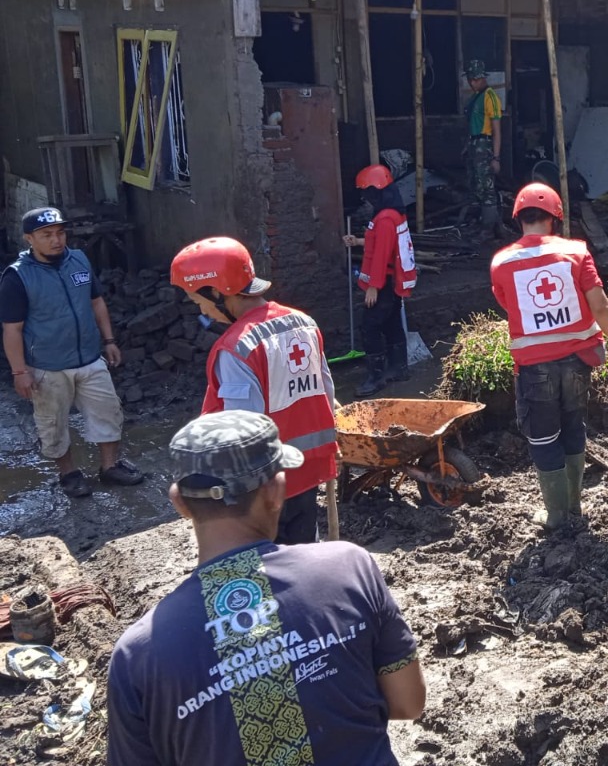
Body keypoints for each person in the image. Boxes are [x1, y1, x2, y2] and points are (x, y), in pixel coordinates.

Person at [106, 410, 425, 766]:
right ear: (276, 491)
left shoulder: (137, 655)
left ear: (179, 503)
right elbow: (408, 703)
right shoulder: (349, 566)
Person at [170, 237, 339, 545]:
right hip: (310, 466)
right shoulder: (304, 322)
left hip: (265, 483)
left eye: (199, 302)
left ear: (217, 292)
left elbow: (241, 430)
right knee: (301, 551)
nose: (204, 312)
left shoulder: (236, 347)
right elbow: (327, 390)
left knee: (266, 563)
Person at [490, 183, 608, 530]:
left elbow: (508, 305)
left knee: (543, 438)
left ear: (518, 219)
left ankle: (555, 515)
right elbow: (600, 305)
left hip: (534, 369)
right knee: (573, 428)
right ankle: (573, 508)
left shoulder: (501, 263)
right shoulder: (576, 252)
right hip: (578, 363)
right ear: (555, 218)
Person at [0, 207, 143, 498]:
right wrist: (19, 371)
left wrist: (109, 340)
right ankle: (69, 474)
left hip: (90, 358)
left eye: (60, 233)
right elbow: (12, 330)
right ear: (29, 238)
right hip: (47, 367)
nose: (56, 240)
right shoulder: (18, 277)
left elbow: (97, 302)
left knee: (108, 412)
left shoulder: (78, 260)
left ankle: (109, 467)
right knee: (53, 423)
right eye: (47, 235)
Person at [341, 164, 418, 397]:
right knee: (392, 322)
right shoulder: (393, 214)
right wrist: (359, 242)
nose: (366, 197)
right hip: (393, 282)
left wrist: (373, 287)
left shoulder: (385, 218)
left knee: (370, 326)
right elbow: (384, 243)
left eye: (368, 192)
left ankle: (376, 377)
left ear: (378, 191)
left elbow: (383, 253)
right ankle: (399, 368)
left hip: (384, 283)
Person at [464, 59, 503, 240]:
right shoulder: (475, 97)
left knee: (487, 187)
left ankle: (488, 229)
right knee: (476, 185)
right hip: (474, 145)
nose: (472, 83)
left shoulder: (490, 96)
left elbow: (496, 129)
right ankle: (481, 223)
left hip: (484, 146)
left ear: (483, 78)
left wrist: (496, 157)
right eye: (470, 79)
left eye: (476, 79)